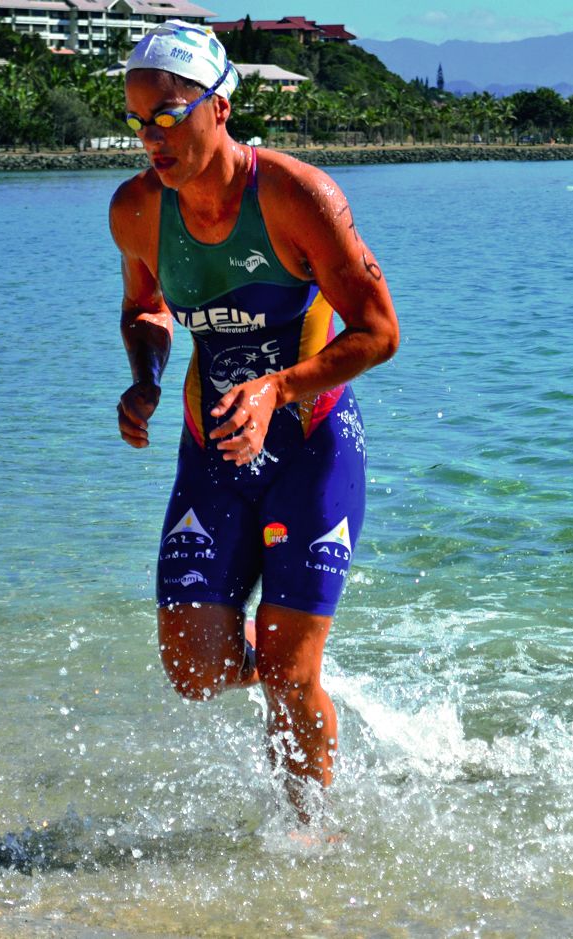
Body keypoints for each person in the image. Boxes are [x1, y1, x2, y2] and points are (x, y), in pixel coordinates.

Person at [108, 20, 399, 824]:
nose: (150, 137)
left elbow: (379, 331)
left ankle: (308, 833)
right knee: (194, 669)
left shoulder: (294, 195)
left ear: (219, 108)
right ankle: (291, 675)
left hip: (312, 445)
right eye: (137, 119)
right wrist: (146, 379)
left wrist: (279, 387)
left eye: (167, 115)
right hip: (211, 450)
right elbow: (145, 307)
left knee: (288, 669)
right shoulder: (136, 209)